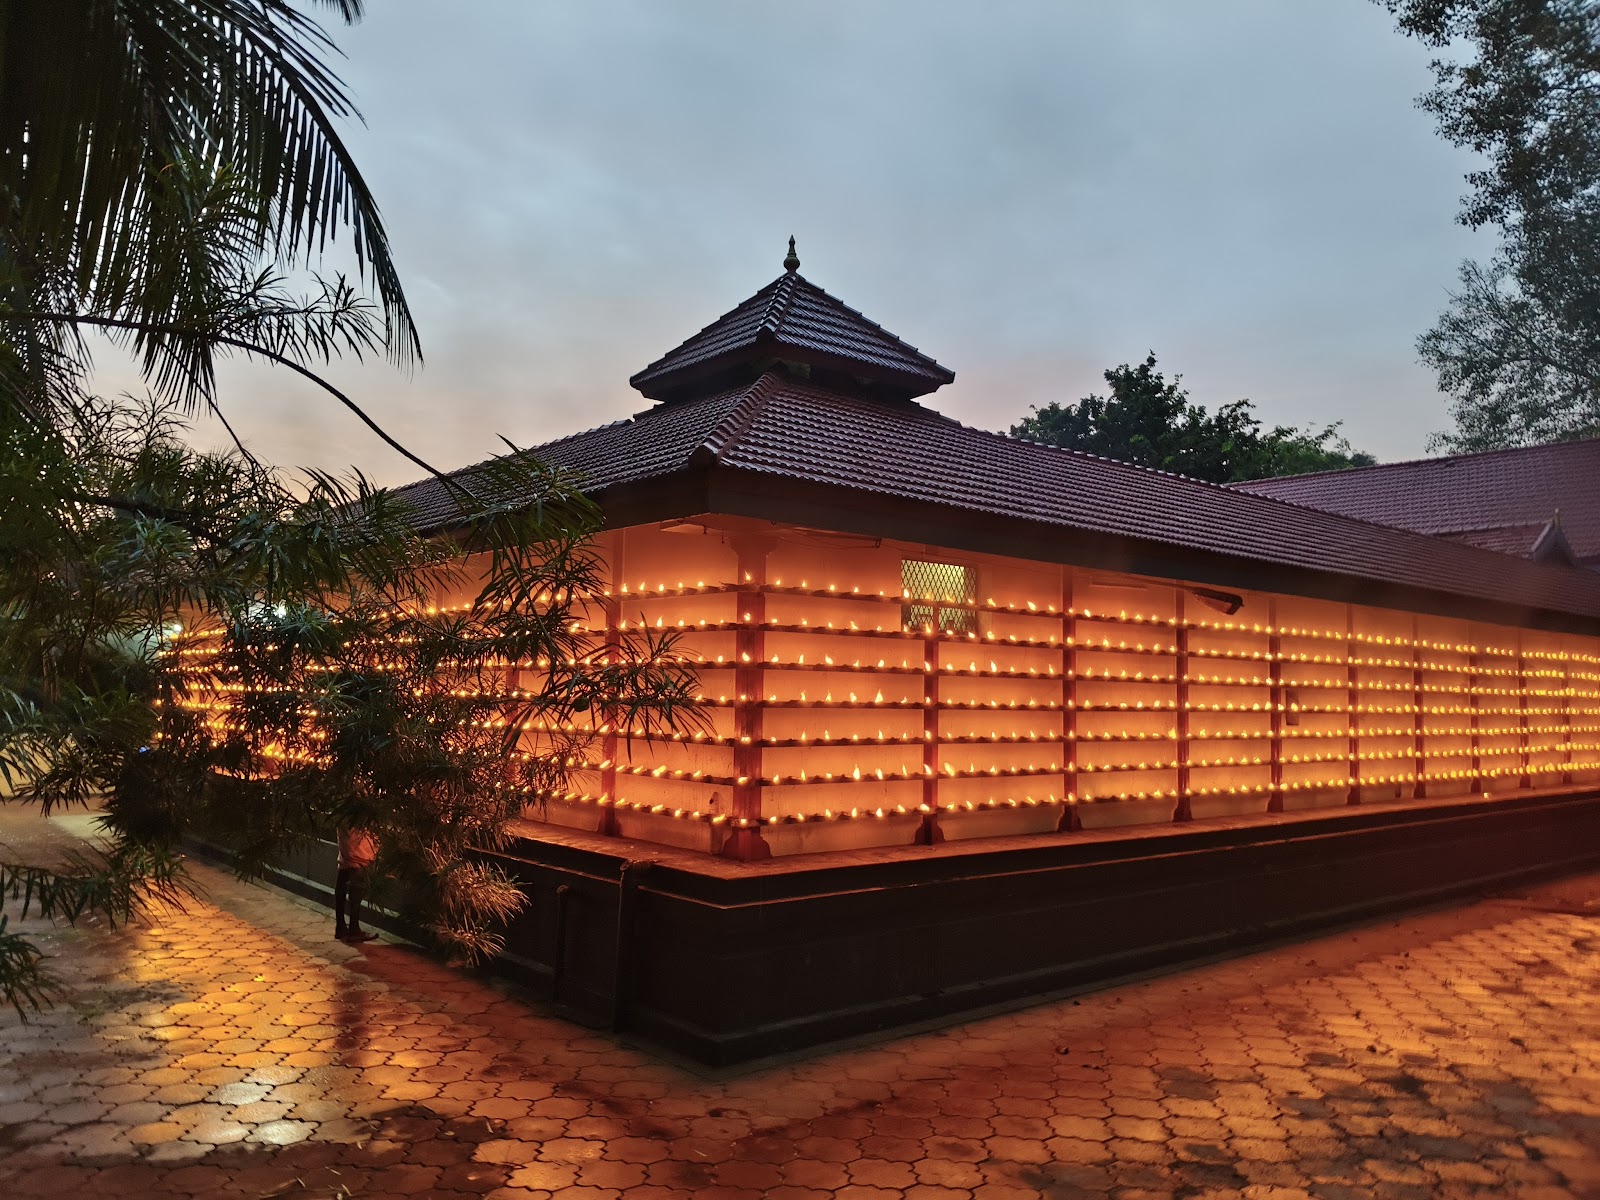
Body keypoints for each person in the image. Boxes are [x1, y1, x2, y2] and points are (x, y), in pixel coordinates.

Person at [334, 826, 379, 943]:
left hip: (347, 844)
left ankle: (341, 926)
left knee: (343, 877)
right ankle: (354, 928)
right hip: (358, 846)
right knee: (356, 886)